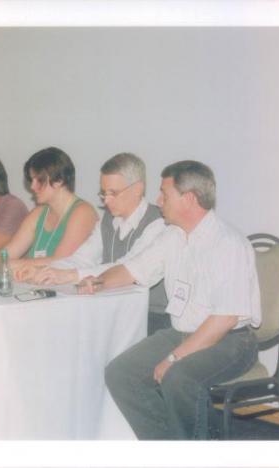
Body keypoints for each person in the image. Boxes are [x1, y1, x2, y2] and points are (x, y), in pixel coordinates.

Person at [81, 160, 261, 440]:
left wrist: (174, 357)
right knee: (120, 373)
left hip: (231, 341)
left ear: (188, 199)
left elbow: (224, 319)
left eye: (164, 194)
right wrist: (99, 282)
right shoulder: (173, 236)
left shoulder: (227, 244)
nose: (158, 200)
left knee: (178, 377)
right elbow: (133, 269)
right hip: (182, 332)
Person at [23, 152, 170, 335]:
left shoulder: (159, 223)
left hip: (151, 317)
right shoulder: (107, 220)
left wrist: (68, 275)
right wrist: (47, 271)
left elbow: (126, 268)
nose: (106, 201)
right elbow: (82, 258)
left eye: (113, 193)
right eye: (103, 193)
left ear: (137, 189)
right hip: (111, 308)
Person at [0, 147, 97, 269]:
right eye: (31, 180)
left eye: (39, 180)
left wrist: (14, 264)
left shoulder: (83, 213)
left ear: (59, 180)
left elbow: (61, 262)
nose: (32, 186)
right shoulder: (37, 213)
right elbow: (8, 254)